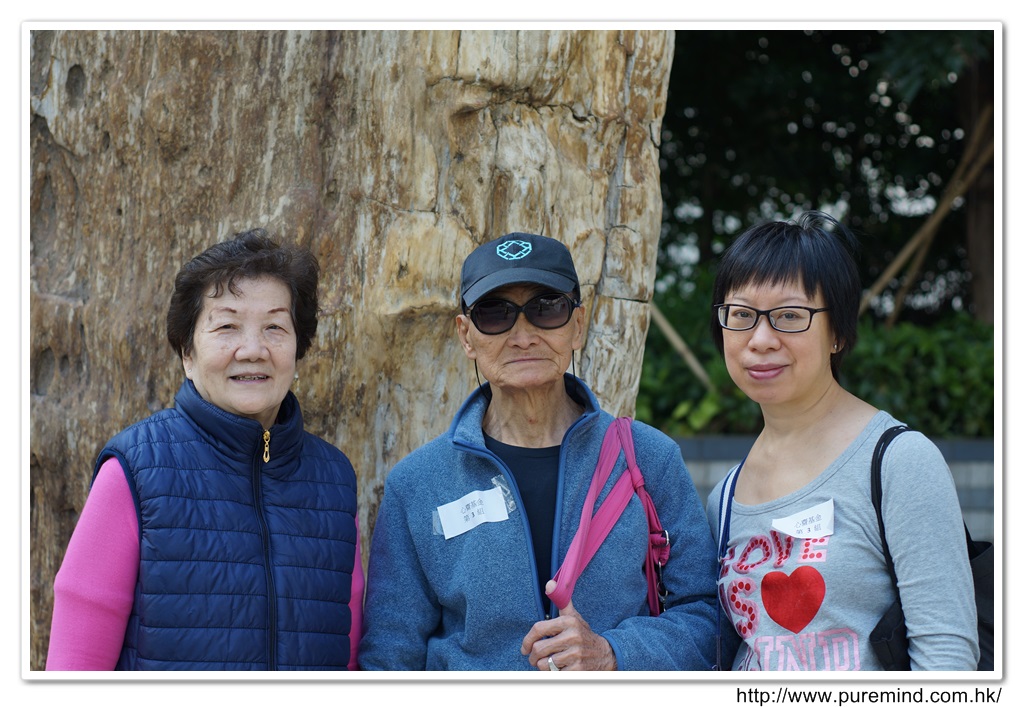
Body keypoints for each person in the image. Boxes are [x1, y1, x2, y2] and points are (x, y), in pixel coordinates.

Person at [359, 232, 718, 671]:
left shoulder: (649, 459)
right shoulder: (418, 483)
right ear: (466, 336)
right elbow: (390, 657)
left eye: (547, 309)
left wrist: (613, 653)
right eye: (495, 314)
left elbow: (706, 617)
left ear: (578, 325)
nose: (523, 336)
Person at [46, 229, 363, 671]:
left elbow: (347, 660)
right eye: (227, 326)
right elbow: (74, 670)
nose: (253, 350)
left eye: (274, 327)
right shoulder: (135, 471)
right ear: (188, 353)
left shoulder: (333, 479)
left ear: (298, 348)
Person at [704, 211, 978, 671]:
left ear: (838, 333)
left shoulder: (898, 462)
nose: (761, 339)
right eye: (742, 315)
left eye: (790, 315)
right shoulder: (725, 497)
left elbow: (946, 656)